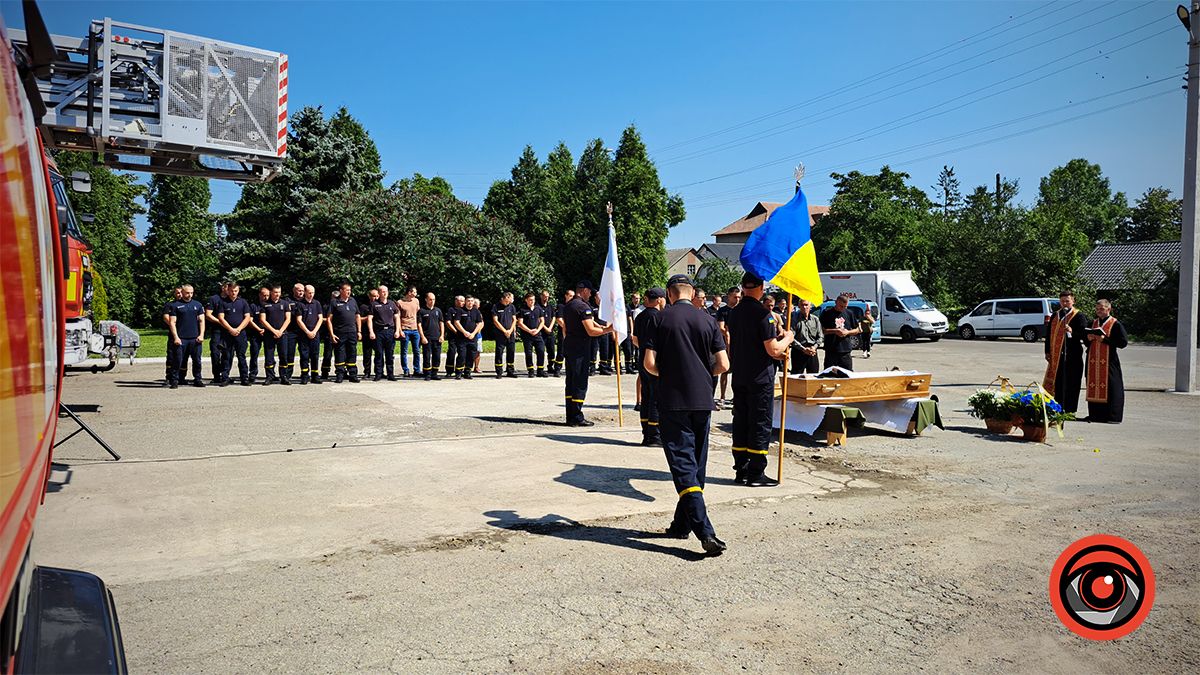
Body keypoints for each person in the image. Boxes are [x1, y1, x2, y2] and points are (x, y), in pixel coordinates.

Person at [642, 274, 730, 555]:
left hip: (673, 400)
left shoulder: (660, 319)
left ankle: (705, 531)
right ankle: (682, 525)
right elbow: (723, 364)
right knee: (696, 464)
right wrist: (704, 375)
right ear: (692, 294)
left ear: (669, 294)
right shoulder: (708, 320)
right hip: (703, 400)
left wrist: (668, 376)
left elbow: (649, 364)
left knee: (682, 465)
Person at [728, 273, 795, 487]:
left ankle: (741, 470)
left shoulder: (734, 313)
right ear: (761, 287)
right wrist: (788, 338)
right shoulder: (763, 315)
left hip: (739, 375)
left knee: (740, 422)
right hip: (759, 378)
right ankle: (756, 473)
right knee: (759, 423)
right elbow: (773, 349)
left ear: (743, 287)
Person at [562, 280, 614, 426]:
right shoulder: (583, 307)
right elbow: (591, 330)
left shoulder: (569, 305)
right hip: (580, 349)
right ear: (584, 290)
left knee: (571, 382)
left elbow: (589, 323)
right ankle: (577, 417)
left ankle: (570, 415)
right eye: (590, 291)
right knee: (579, 383)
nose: (591, 294)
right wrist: (609, 329)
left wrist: (604, 326)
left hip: (570, 346)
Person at [1043, 291, 1088, 414]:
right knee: (1058, 382)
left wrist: (1073, 331)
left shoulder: (1079, 316)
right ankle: (1056, 407)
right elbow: (1048, 334)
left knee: (1071, 383)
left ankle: (1069, 409)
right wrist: (1047, 351)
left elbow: (1085, 335)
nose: (1065, 303)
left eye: (1067, 301)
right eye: (1062, 301)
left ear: (1073, 301)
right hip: (1056, 356)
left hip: (1072, 356)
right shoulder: (1055, 315)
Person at [1084, 299, 1127, 424]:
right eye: (1097, 309)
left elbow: (1123, 342)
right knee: (1093, 385)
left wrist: (1105, 340)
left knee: (1112, 386)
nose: (1099, 311)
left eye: (1101, 309)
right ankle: (1095, 415)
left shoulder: (1115, 323)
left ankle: (1112, 416)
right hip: (1093, 360)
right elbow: (1086, 341)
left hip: (1109, 360)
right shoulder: (1093, 323)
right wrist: (1088, 338)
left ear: (1108, 309)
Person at [632, 287, 665, 446]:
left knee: (646, 397)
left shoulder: (640, 316)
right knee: (656, 398)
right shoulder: (659, 317)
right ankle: (654, 436)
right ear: (659, 300)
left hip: (642, 359)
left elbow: (635, 339)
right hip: (655, 361)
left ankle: (646, 433)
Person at [168, 284, 206, 388]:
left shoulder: (198, 305)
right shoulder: (175, 305)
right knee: (178, 360)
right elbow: (172, 322)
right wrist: (176, 337)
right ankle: (174, 380)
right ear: (182, 292)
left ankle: (198, 379)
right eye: (187, 293)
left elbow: (202, 321)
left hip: (195, 338)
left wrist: (202, 335)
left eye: (191, 293)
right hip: (181, 339)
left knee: (197, 360)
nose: (189, 295)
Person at [217, 283, 253, 386]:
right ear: (228, 290)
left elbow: (247, 317)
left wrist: (238, 329)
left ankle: (244, 378)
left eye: (236, 291)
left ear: (238, 291)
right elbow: (221, 317)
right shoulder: (222, 302)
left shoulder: (243, 302)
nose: (233, 293)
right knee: (226, 356)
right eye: (232, 291)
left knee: (241, 356)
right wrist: (230, 329)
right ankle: (225, 378)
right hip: (227, 333)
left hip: (240, 333)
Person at [326, 282, 362, 383]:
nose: (349, 292)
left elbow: (357, 316)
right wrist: (332, 334)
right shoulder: (334, 302)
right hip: (339, 332)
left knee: (352, 353)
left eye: (350, 290)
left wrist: (359, 331)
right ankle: (340, 374)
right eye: (347, 290)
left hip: (352, 332)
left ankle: (353, 374)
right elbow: (329, 319)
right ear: (341, 291)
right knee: (340, 353)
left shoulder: (353, 301)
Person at [259, 285, 293, 385]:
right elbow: (262, 320)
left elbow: (288, 319)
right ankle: (269, 376)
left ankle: (284, 377)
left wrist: (280, 331)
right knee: (269, 356)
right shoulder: (265, 304)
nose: (277, 294)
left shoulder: (285, 304)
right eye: (275, 292)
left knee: (283, 356)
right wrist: (274, 331)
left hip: (283, 334)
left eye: (279, 292)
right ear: (271, 293)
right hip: (269, 334)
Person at [293, 284, 325, 384]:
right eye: (309, 293)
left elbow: (320, 318)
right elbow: (299, 320)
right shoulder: (300, 304)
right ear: (305, 293)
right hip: (304, 334)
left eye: (313, 293)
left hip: (315, 334)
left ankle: (315, 375)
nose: (311, 295)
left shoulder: (317, 304)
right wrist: (307, 332)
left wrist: (314, 331)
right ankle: (305, 375)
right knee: (304, 355)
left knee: (315, 355)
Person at [820, 294, 861, 371]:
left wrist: (847, 332)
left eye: (845, 306)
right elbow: (822, 330)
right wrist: (835, 331)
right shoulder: (827, 313)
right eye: (841, 306)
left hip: (845, 350)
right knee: (829, 373)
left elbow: (857, 329)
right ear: (836, 302)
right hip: (831, 350)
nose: (843, 308)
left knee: (847, 374)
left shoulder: (849, 313)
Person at [715, 287, 740, 408]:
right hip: (726, 345)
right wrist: (728, 333)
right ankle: (722, 396)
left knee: (738, 373)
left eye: (739, 297)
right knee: (725, 371)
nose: (737, 299)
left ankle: (737, 397)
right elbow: (720, 327)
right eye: (735, 297)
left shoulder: (741, 310)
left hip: (739, 345)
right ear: (729, 296)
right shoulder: (723, 311)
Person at [369, 285, 400, 381]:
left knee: (390, 354)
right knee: (378, 354)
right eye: (382, 291)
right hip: (379, 331)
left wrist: (397, 330)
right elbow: (370, 318)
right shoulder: (374, 304)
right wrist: (371, 332)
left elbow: (397, 317)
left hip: (390, 331)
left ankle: (390, 374)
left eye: (386, 291)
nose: (385, 293)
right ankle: (378, 374)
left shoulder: (392, 304)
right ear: (379, 293)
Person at [204, 282, 230, 384]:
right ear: (223, 288)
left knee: (228, 354)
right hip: (217, 330)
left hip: (228, 331)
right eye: (227, 288)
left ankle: (225, 375)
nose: (230, 291)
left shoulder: (231, 300)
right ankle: (216, 376)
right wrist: (221, 322)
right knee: (215, 353)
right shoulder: (214, 299)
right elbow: (208, 315)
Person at [516, 292, 548, 377]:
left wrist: (537, 330)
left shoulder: (538, 308)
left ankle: (540, 370)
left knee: (541, 351)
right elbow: (520, 323)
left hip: (537, 334)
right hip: (527, 335)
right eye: (530, 300)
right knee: (528, 353)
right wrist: (529, 331)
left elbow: (542, 321)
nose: (532, 301)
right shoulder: (522, 310)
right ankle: (530, 370)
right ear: (526, 300)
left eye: (533, 300)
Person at [790, 299, 823, 374]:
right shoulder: (794, 320)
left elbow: (820, 336)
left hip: (812, 351)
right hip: (799, 351)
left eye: (806, 305)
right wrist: (803, 349)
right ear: (799, 306)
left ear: (810, 306)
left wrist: (814, 347)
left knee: (813, 377)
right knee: (796, 378)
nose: (804, 307)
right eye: (802, 305)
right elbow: (791, 338)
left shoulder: (815, 319)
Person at [417, 292, 445, 381]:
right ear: (426, 300)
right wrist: (422, 337)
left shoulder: (438, 311)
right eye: (430, 299)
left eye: (433, 299)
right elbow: (419, 325)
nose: (432, 301)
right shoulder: (421, 311)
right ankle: (427, 374)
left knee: (437, 356)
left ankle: (434, 373)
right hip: (427, 338)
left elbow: (441, 323)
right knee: (427, 356)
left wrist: (442, 335)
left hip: (437, 337)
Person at [457, 295, 484, 380]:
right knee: (462, 355)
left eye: (472, 301)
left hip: (473, 337)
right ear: (465, 302)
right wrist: (464, 332)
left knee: (471, 355)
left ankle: (467, 372)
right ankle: (458, 373)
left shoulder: (476, 311)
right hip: (462, 337)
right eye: (468, 301)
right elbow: (456, 322)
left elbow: (480, 323)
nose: (470, 303)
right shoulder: (460, 311)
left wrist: (473, 333)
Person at [281, 282, 304, 382]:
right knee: (290, 354)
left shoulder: (306, 301)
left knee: (304, 353)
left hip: (303, 331)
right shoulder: (287, 300)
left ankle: (304, 374)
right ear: (294, 290)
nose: (301, 293)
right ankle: (287, 374)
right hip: (291, 331)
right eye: (299, 290)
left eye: (302, 291)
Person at [397, 286, 422, 377]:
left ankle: (417, 370)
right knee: (404, 351)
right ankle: (406, 370)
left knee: (417, 351)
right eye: (414, 292)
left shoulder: (416, 301)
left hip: (415, 329)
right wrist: (400, 330)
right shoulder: (400, 302)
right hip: (405, 329)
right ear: (409, 292)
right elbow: (398, 318)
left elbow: (418, 314)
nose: (415, 294)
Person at [492, 292, 519, 378]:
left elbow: (514, 319)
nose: (511, 300)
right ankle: (499, 371)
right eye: (511, 298)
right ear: (506, 298)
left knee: (511, 351)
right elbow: (495, 321)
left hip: (510, 333)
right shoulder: (496, 307)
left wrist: (511, 330)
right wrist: (504, 331)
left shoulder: (511, 307)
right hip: (500, 333)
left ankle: (510, 370)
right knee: (499, 352)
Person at [247, 287, 270, 385]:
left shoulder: (270, 305)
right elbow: (250, 320)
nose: (266, 297)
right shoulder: (253, 306)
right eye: (264, 295)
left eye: (267, 295)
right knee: (254, 354)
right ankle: (252, 374)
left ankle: (270, 374)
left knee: (269, 354)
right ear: (259, 295)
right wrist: (259, 329)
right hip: (256, 333)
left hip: (268, 333)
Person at [161, 286, 182, 386]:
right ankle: (169, 377)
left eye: (181, 292)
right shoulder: (170, 305)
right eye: (177, 293)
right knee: (171, 356)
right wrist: (174, 325)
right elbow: (166, 317)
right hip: (173, 334)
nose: (180, 294)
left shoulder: (188, 305)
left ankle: (181, 377)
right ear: (174, 294)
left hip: (185, 334)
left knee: (183, 357)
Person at [359, 288, 380, 380]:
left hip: (378, 333)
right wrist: (368, 318)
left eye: (377, 296)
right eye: (373, 296)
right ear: (369, 296)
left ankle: (378, 372)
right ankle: (367, 372)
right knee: (367, 354)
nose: (375, 298)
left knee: (378, 353)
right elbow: (359, 319)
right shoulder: (364, 307)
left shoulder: (380, 305)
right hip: (366, 333)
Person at [538, 290, 559, 377]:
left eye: (547, 296)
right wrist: (545, 328)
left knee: (551, 350)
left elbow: (554, 317)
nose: (546, 298)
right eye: (544, 296)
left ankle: (550, 366)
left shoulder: (550, 306)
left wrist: (550, 327)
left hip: (550, 331)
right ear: (541, 296)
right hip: (541, 332)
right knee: (541, 350)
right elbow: (538, 319)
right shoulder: (537, 306)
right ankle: (540, 368)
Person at [554, 289, 574, 375]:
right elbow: (559, 320)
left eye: (573, 296)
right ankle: (557, 369)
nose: (572, 298)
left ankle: (571, 369)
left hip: (572, 332)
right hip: (563, 331)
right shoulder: (561, 306)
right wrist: (567, 328)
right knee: (561, 350)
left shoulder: (573, 306)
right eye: (570, 296)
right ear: (566, 296)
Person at [319, 290, 337, 382]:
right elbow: (321, 318)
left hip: (339, 332)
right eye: (334, 298)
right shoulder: (326, 307)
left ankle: (342, 371)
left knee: (341, 354)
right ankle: (325, 372)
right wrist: (329, 320)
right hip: (328, 333)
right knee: (327, 354)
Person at [623, 292, 642, 375]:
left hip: (638, 331)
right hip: (630, 331)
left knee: (637, 349)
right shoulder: (629, 307)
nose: (637, 300)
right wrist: (632, 331)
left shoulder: (641, 308)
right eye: (635, 298)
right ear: (632, 299)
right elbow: (630, 320)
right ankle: (628, 366)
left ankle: (636, 364)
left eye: (638, 298)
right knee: (629, 349)